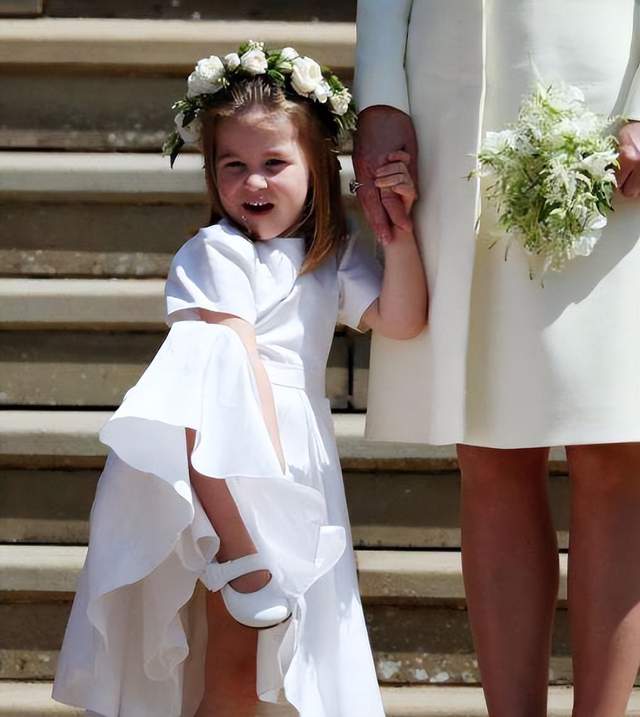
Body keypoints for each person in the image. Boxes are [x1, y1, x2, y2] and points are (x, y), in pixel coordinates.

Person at [52, 42, 427, 717]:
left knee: (281, 664)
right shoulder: (214, 253)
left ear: (316, 166)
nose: (254, 183)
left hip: (301, 460)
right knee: (237, 661)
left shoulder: (329, 255)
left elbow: (401, 321)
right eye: (235, 166)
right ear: (210, 173)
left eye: (275, 164)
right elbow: (226, 378)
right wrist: (243, 536)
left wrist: (397, 235)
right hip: (235, 467)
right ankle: (240, 557)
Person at [354, 2, 640, 715]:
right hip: (454, 104)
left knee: (614, 446)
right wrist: (380, 94)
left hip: (609, 101)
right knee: (487, 444)